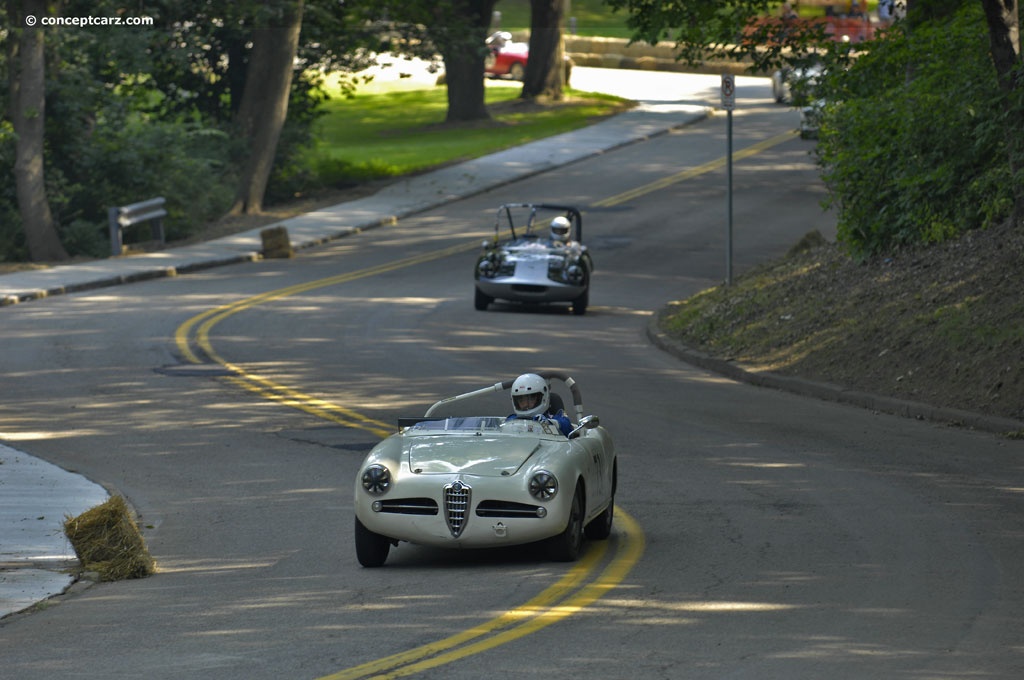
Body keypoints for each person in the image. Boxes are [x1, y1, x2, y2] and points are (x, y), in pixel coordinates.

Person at [507, 373, 572, 436]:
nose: (525, 404)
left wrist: (549, 423)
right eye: (521, 401)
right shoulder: (513, 419)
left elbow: (567, 426)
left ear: (543, 398)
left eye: (530, 399)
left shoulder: (554, 418)